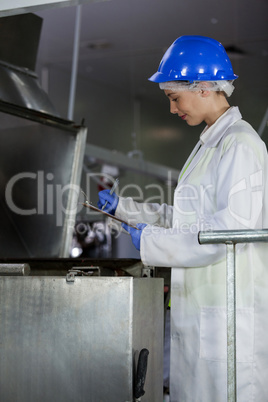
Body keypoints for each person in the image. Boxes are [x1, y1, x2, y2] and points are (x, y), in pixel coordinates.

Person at [98, 35, 268, 401]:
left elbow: (230, 231)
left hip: (226, 318)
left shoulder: (240, 144)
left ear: (204, 87)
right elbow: (190, 219)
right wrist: (124, 210)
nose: (173, 110)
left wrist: (154, 242)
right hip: (205, 311)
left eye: (175, 98)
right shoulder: (211, 142)